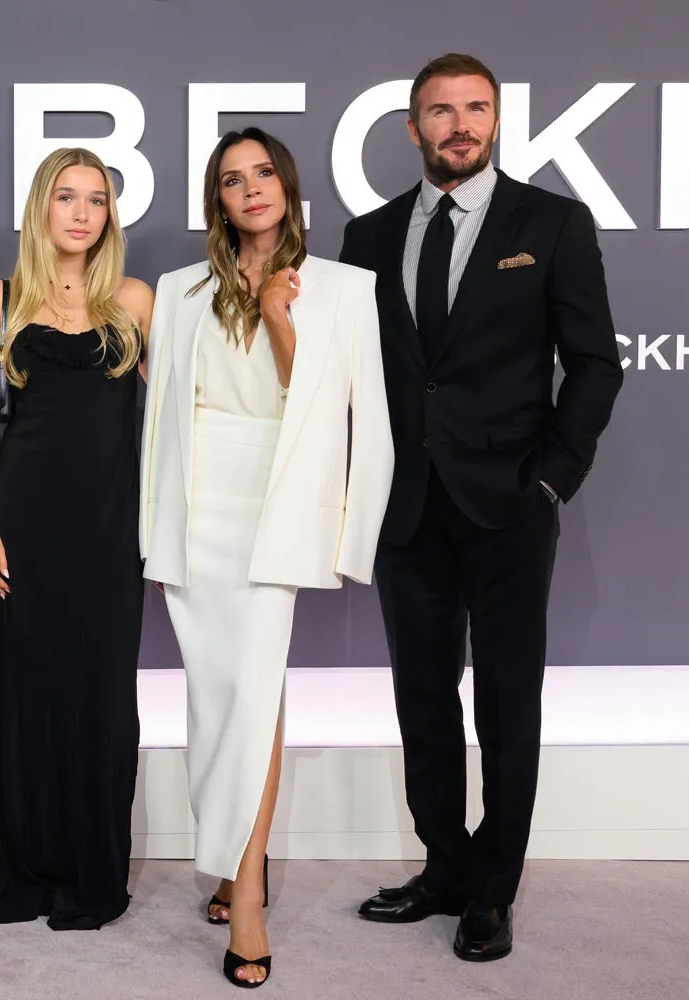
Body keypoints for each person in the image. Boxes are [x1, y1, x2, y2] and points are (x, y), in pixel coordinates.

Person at [340, 54, 623, 962]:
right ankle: (445, 866)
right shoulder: (370, 236)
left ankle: (495, 888)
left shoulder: (552, 222)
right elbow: (356, 377)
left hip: (509, 504)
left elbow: (593, 362)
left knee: (507, 704)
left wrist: (551, 479)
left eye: (474, 109)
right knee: (422, 698)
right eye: (439, 111)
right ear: (412, 127)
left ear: (495, 121)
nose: (458, 124)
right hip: (408, 509)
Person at [141, 128, 393, 987]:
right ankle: (224, 858)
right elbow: (162, 422)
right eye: (231, 180)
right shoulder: (179, 291)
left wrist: (281, 316)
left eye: (262, 175)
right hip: (196, 512)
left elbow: (347, 418)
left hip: (274, 510)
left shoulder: (344, 289)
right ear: (217, 199)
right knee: (223, 697)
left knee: (251, 690)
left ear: (288, 185)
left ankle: (244, 891)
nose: (250, 190)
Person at [0, 147, 153, 931]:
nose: (79, 212)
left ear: (109, 215)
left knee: (102, 699)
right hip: (22, 527)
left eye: (95, 199)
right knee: (20, 696)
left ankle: (86, 871)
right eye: (65, 196)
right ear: (40, 208)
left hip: (109, 533)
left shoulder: (135, 301)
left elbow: (175, 420)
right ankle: (16, 872)